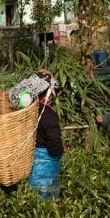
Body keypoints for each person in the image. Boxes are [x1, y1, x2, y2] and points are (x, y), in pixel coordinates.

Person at [26, 69, 64, 199]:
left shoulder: (25, 111)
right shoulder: (48, 114)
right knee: (46, 206)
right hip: (44, 170)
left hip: (28, 165)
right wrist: (59, 151)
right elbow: (54, 145)